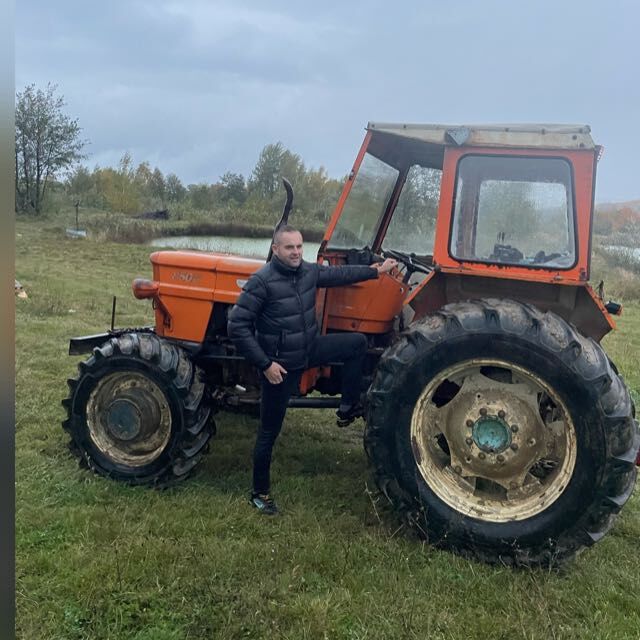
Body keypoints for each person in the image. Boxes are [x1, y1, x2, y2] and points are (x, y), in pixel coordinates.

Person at [227, 225, 397, 515]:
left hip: (308, 350)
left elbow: (340, 275)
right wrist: (266, 365)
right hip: (281, 366)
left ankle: (347, 406)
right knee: (269, 432)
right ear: (275, 249)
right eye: (289, 247)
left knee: (356, 344)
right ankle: (260, 493)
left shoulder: (307, 271)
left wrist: (375, 271)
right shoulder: (262, 282)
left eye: (299, 246)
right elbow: (237, 326)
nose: (296, 252)